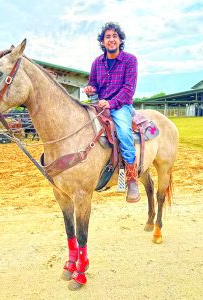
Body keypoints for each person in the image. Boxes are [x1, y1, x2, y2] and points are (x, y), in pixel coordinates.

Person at [83, 22, 139, 203]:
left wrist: (111, 103)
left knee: (123, 133)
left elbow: (128, 89)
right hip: (100, 104)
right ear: (102, 41)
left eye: (114, 36)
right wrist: (91, 89)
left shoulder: (130, 60)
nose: (111, 39)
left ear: (120, 40)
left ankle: (131, 180)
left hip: (120, 106)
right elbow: (94, 83)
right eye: (107, 36)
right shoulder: (96, 63)